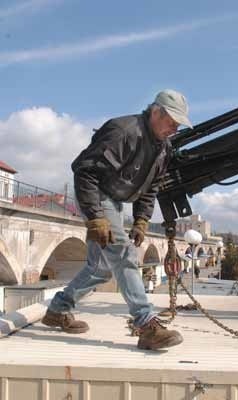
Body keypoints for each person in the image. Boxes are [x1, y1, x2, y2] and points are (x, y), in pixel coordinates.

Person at [41, 89, 192, 350]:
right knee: (123, 254)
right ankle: (146, 324)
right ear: (156, 112)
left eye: (178, 125)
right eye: (171, 123)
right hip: (96, 192)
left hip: (116, 200)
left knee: (100, 268)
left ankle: (57, 309)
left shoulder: (163, 149)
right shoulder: (123, 131)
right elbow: (85, 172)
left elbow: (151, 188)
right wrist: (96, 218)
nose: (174, 129)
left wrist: (142, 220)